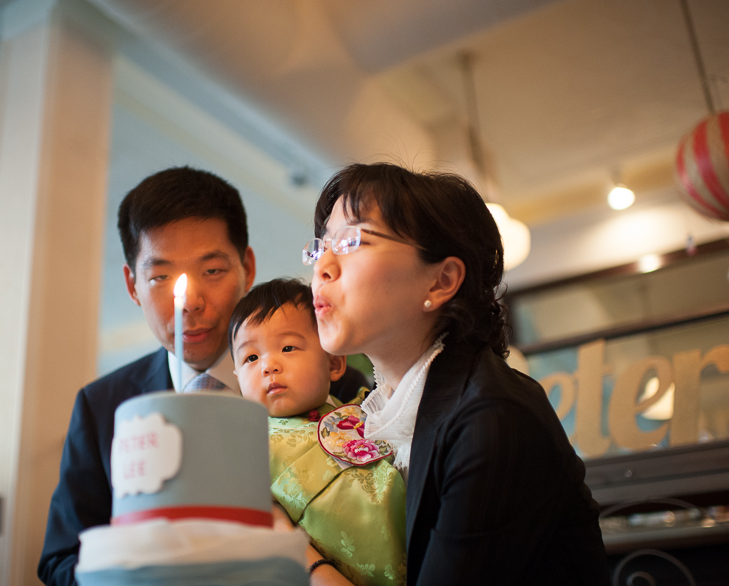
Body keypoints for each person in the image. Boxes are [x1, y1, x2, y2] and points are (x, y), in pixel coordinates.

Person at [38, 167, 368, 586]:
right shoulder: (102, 406)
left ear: (247, 267)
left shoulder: (331, 383)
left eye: (212, 271)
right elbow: (60, 559)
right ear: (133, 285)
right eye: (160, 277)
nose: (190, 302)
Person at [307, 163, 609, 585]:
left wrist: (299, 555)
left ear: (441, 281)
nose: (322, 266)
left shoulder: (491, 416)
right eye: (321, 246)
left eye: (352, 241)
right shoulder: (376, 412)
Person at [229, 278, 406, 586]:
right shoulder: (246, 449)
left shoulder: (369, 411)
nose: (268, 366)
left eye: (287, 347)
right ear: (237, 379)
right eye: (251, 358)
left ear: (334, 362)